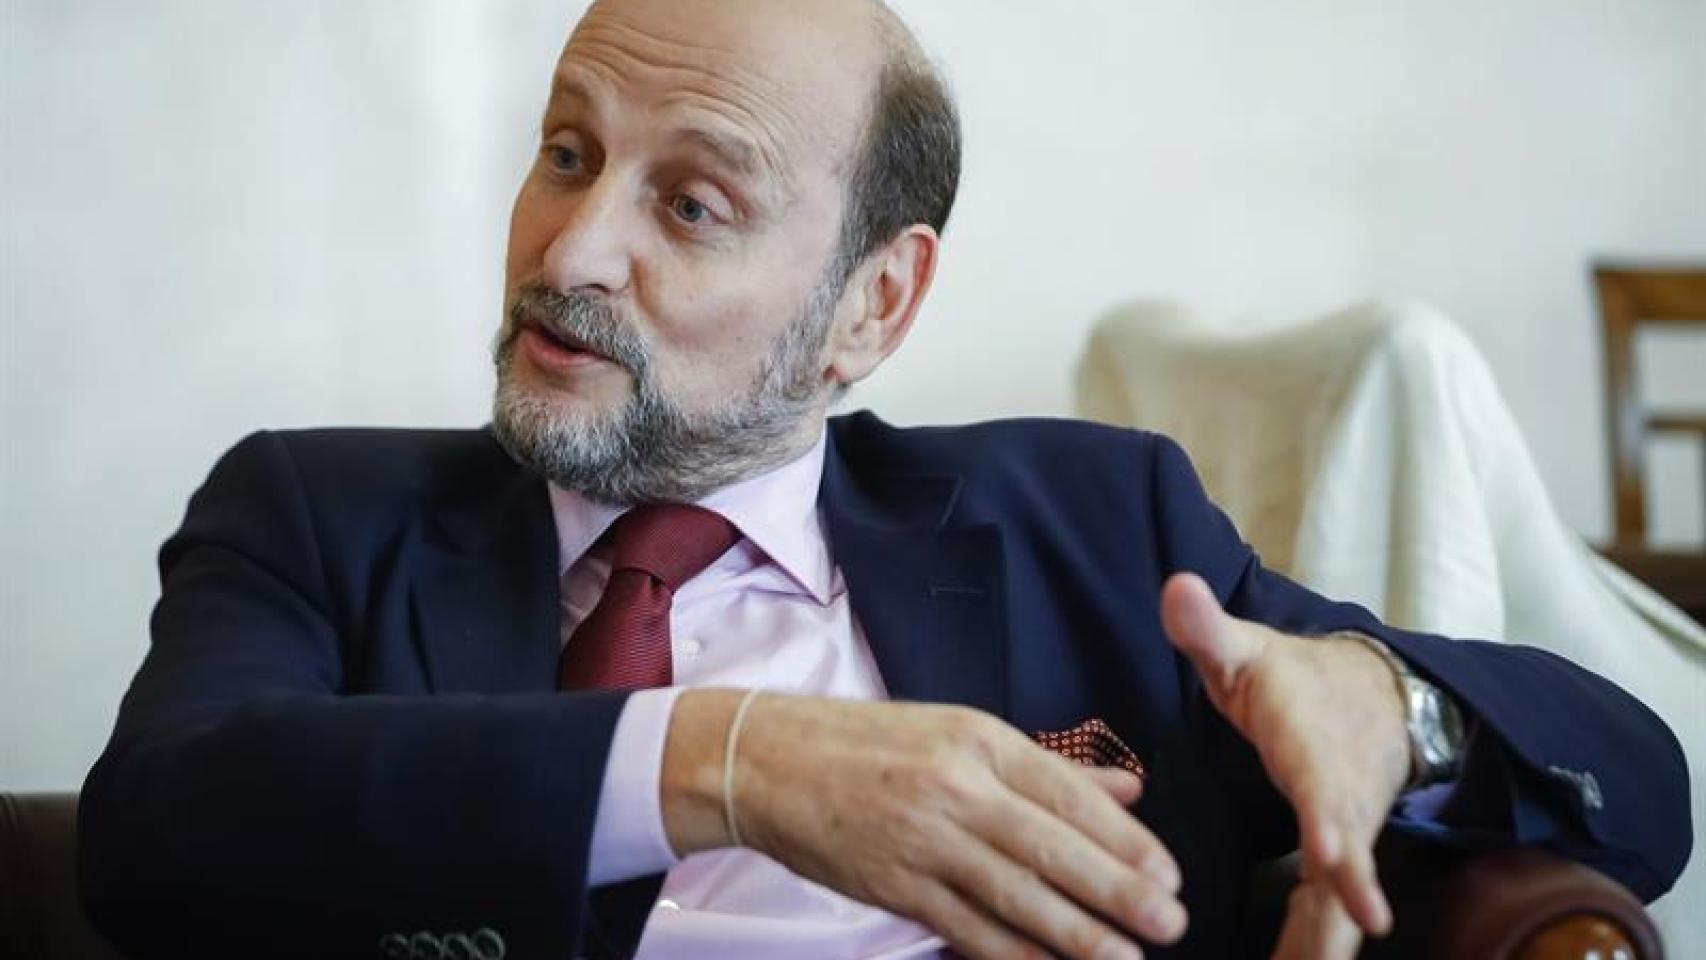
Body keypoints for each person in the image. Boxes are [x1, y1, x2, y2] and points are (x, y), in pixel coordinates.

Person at [78, 1, 1690, 958]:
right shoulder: (315, 515)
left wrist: (1391, 704)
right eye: (567, 154)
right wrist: (732, 761)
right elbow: (152, 845)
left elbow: (1640, 782)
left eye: (690, 205)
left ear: (872, 305)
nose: (569, 252)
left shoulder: (1091, 525)